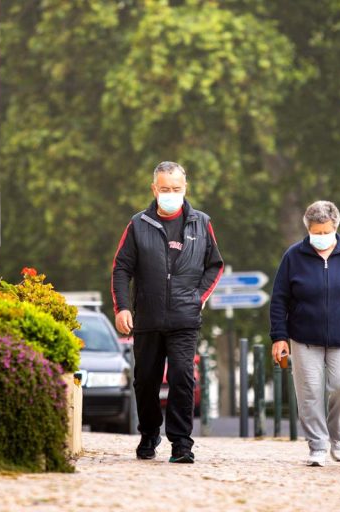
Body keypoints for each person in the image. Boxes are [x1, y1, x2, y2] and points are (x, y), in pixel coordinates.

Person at [112, 161, 224, 463]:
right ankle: (149, 433)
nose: (171, 194)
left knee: (182, 377)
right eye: (165, 189)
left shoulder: (201, 222)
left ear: (185, 188)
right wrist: (122, 307)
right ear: (154, 189)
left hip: (185, 318)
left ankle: (181, 443)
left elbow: (215, 265)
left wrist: (198, 296)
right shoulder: (138, 224)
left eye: (176, 189)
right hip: (147, 317)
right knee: (145, 379)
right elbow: (121, 268)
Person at [269, 200, 340, 467]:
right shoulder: (293, 257)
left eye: (325, 232)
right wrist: (279, 336)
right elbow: (279, 299)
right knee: (309, 392)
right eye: (316, 232)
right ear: (308, 229)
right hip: (303, 337)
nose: (320, 238)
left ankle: (338, 437)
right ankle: (317, 446)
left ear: (335, 227)